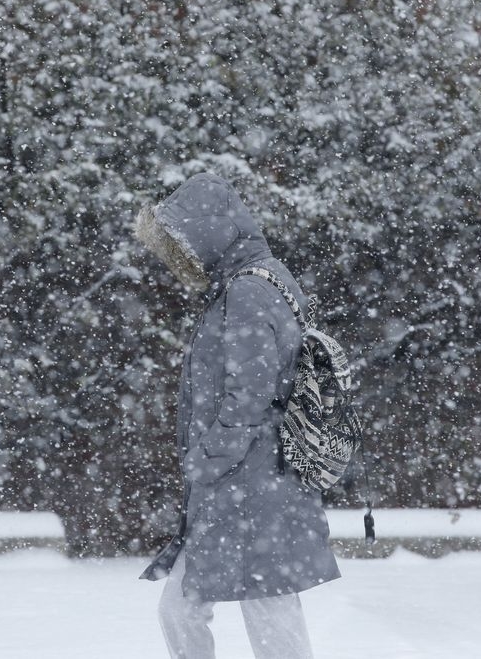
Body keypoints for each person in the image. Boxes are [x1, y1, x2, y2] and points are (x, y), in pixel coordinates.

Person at [135, 172, 340, 659]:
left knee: (265, 609)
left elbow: (251, 391)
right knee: (198, 607)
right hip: (248, 480)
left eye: (181, 240)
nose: (179, 255)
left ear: (207, 232)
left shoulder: (247, 290)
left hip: (249, 481)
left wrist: (209, 456)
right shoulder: (259, 280)